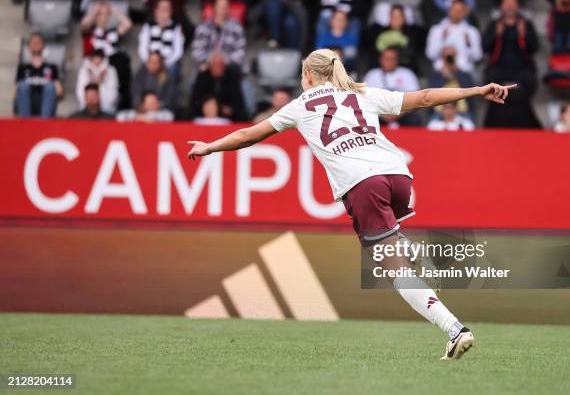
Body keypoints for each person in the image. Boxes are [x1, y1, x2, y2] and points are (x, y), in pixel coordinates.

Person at [186, 48, 517, 360]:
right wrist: (477, 90)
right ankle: (405, 247)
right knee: (391, 241)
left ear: (308, 75)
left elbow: (249, 135)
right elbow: (426, 97)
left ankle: (454, 329)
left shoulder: (300, 105)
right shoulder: (362, 92)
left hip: (363, 184)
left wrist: (209, 147)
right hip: (399, 176)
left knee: (394, 270)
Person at [481, 0, 540, 128]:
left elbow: (535, 47)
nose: (509, 7)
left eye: (512, 4)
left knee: (528, 80)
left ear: (517, 7)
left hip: (521, 69)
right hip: (499, 68)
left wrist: (524, 35)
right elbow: (484, 47)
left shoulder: (526, 24)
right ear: (501, 7)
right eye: (507, 4)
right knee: (491, 79)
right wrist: (497, 34)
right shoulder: (494, 25)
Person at [80, 0, 133, 109]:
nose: (102, 17)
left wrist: (113, 10)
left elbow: (128, 24)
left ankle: (121, 105)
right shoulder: (90, 32)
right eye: (100, 15)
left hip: (111, 67)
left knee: (122, 60)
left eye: (105, 15)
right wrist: (95, 10)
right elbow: (84, 24)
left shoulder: (112, 32)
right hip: (92, 65)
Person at [364, 47, 421, 127]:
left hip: (403, 114)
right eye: (387, 59)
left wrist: (398, 114)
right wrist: (383, 115)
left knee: (414, 119)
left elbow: (415, 99)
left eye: (392, 59)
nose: (389, 62)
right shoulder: (372, 75)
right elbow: (365, 100)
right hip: (378, 114)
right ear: (381, 60)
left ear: (397, 60)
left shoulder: (407, 74)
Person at [425, 0, 482, 74]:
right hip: (441, 72)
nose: (457, 13)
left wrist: (468, 44)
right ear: (449, 10)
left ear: (465, 13)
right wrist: (441, 40)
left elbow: (477, 57)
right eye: (454, 9)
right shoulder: (437, 30)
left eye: (460, 10)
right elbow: (430, 55)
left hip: (464, 72)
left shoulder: (472, 32)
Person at [14, 33, 63, 118]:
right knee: (23, 86)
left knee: (50, 86)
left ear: (44, 46)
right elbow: (15, 92)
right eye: (33, 42)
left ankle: (44, 122)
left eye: (38, 42)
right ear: (29, 47)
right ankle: (26, 123)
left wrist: (52, 87)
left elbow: (59, 92)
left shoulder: (52, 67)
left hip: (46, 100)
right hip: (28, 100)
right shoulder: (22, 68)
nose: (36, 44)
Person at [192, 0, 246, 70]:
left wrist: (224, 60)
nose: (222, 9)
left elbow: (240, 51)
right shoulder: (202, 28)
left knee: (244, 80)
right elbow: (197, 51)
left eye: (225, 7)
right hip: (207, 67)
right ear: (214, 8)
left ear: (228, 9)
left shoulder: (236, 28)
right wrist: (211, 60)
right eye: (220, 6)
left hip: (229, 67)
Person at [190, 51, 247, 121]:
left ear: (224, 66)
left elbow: (238, 100)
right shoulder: (202, 77)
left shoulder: (231, 77)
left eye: (220, 64)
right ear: (210, 65)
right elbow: (196, 99)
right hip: (204, 115)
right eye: (214, 64)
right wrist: (207, 107)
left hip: (228, 117)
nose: (217, 67)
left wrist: (231, 109)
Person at [138, 0, 185, 80]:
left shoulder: (176, 28)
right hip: (150, 60)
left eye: (167, 9)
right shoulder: (148, 26)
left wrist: (166, 63)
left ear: (171, 12)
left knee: (172, 70)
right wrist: (150, 62)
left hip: (168, 62)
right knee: (143, 71)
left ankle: (167, 92)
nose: (164, 12)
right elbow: (142, 47)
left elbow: (178, 51)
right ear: (156, 11)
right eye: (161, 9)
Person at [427, 46, 476, 118]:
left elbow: (470, 90)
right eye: (446, 57)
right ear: (442, 58)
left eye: (451, 57)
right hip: (439, 113)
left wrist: (456, 72)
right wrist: (443, 76)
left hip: (462, 112)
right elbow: (431, 93)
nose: (449, 60)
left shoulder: (464, 75)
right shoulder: (436, 76)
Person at [75, 49, 119, 114]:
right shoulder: (84, 70)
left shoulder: (111, 70)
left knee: (109, 109)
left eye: (98, 58)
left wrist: (102, 78)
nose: (96, 61)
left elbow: (113, 93)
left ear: (103, 59)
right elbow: (80, 92)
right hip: (87, 104)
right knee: (83, 108)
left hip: (106, 104)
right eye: (95, 58)